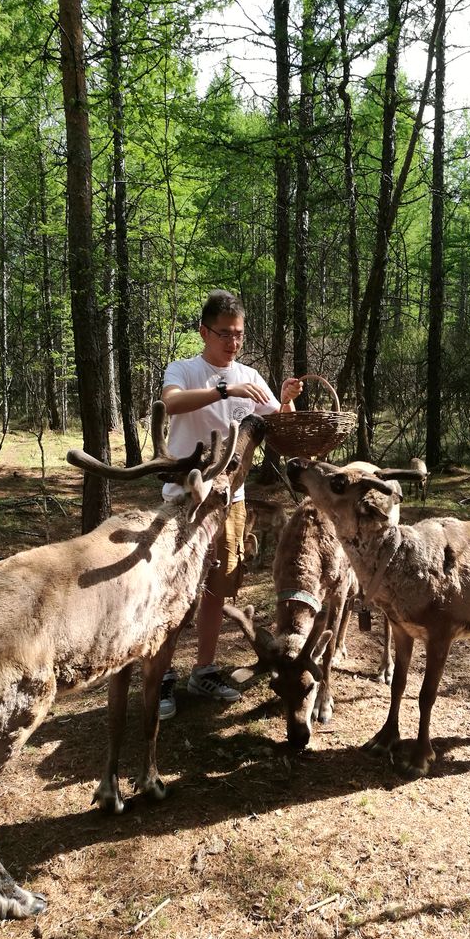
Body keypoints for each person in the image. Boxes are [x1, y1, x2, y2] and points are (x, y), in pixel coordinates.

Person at [159, 289, 302, 719]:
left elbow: (283, 426)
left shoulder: (251, 377)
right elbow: (170, 402)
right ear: (204, 331)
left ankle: (204, 670)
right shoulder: (185, 369)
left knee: (218, 589)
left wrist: (287, 396)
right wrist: (223, 390)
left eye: (239, 335)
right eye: (224, 334)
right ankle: (162, 677)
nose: (233, 343)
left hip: (231, 501)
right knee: (173, 590)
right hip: (185, 498)